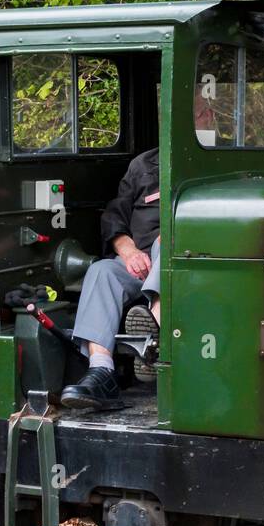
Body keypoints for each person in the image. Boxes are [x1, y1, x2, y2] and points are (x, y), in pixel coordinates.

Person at [60, 147, 161, 410]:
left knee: (168, 243)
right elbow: (115, 217)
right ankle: (101, 373)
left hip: (185, 263)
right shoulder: (144, 164)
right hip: (139, 264)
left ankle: (157, 336)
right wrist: (129, 252)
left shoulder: (219, 159)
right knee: (102, 271)